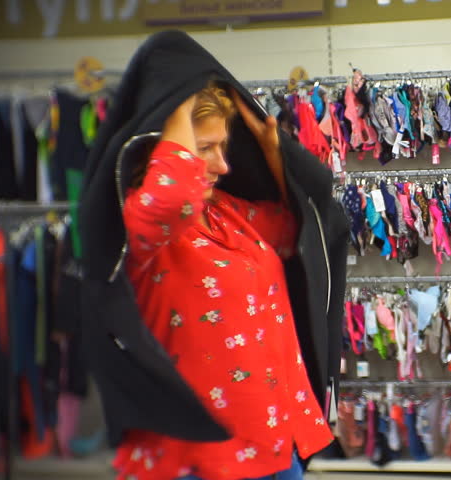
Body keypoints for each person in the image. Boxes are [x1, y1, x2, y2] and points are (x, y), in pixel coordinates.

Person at [110, 83, 332, 480]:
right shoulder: (141, 225)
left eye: (222, 147)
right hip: (198, 458)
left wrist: (272, 153)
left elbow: (294, 231)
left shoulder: (223, 211)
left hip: (273, 441)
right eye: (204, 148)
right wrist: (178, 89)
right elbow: (172, 195)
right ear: (162, 149)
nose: (222, 165)